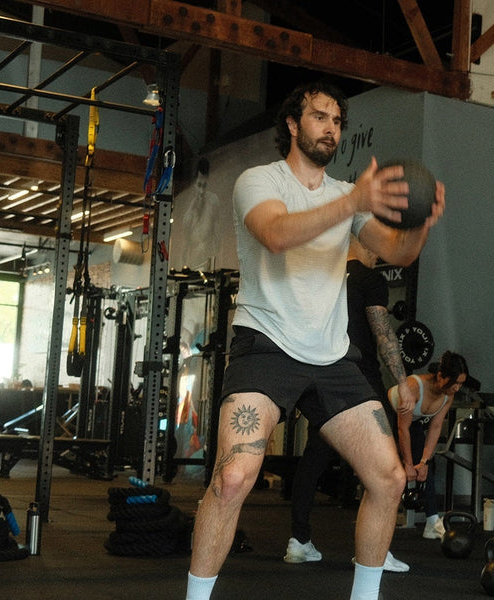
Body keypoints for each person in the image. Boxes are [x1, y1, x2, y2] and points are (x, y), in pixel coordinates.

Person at [186, 80, 445, 600]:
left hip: (330, 358)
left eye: (337, 121)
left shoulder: (344, 197)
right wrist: (352, 200)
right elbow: (277, 234)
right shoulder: (257, 181)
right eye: (320, 117)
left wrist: (422, 224)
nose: (330, 128)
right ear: (292, 124)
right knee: (234, 477)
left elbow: (397, 254)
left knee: (389, 478)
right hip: (266, 347)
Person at [283, 235, 417, 574]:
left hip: (316, 374)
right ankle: (375, 551)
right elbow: (382, 331)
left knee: (315, 454)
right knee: (387, 468)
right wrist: (402, 382)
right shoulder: (369, 278)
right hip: (357, 379)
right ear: (369, 247)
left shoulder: (323, 276)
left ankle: (299, 541)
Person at [388, 351, 467, 539]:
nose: (457, 388)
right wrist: (408, 464)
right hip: (387, 416)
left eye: (461, 384)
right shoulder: (415, 387)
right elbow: (402, 428)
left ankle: (432, 522)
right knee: (392, 470)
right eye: (454, 382)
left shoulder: (448, 395)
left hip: (411, 423)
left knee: (426, 467)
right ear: (441, 376)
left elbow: (435, 427)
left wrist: (423, 461)